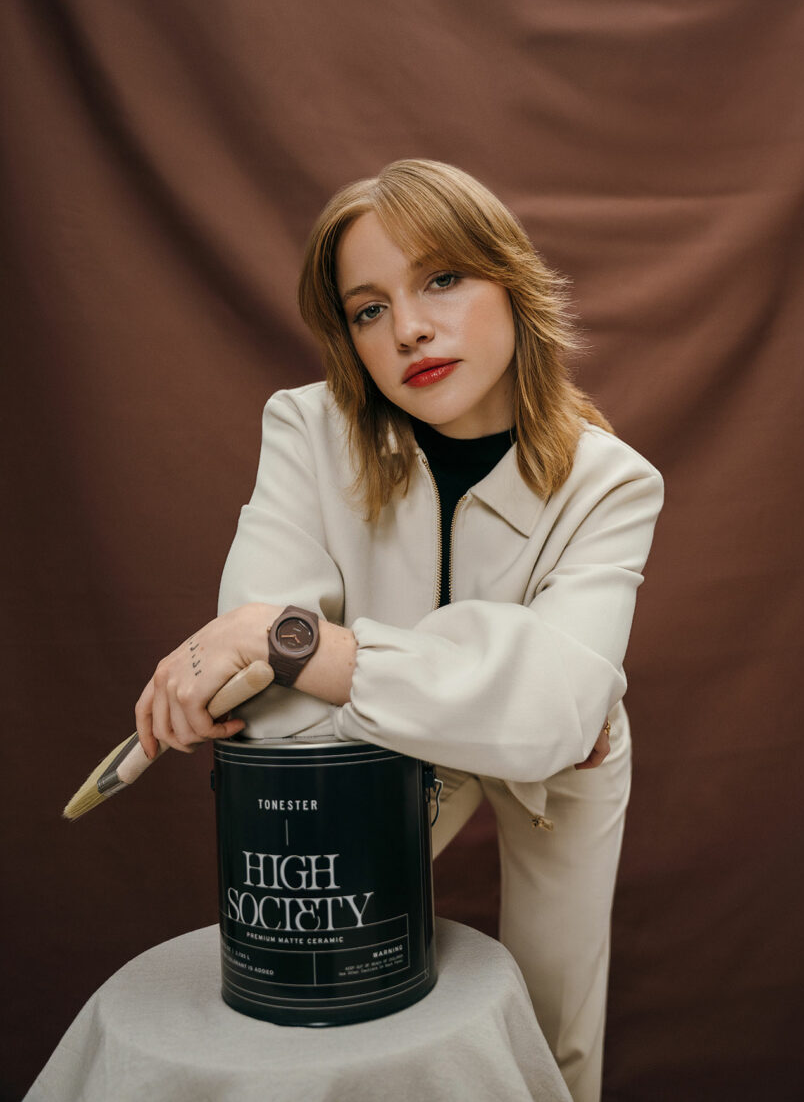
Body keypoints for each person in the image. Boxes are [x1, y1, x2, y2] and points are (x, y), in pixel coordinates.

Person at [135, 159, 664, 1102]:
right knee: (324, 988)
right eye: (368, 308)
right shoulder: (306, 427)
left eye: (443, 279)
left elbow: (552, 720)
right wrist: (496, 682)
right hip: (369, 737)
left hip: (566, 764)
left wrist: (290, 636)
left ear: (510, 278)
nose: (410, 326)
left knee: (551, 1038)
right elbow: (258, 710)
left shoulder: (612, 482)